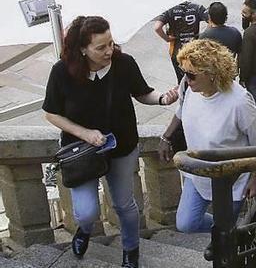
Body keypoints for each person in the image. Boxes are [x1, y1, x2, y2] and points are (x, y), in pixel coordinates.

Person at [43, 16, 179, 268]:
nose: (109, 51)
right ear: (83, 49)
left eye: (111, 43)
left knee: (124, 204)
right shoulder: (62, 71)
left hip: (122, 145)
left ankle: (131, 251)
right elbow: (51, 113)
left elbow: (142, 92)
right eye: (101, 47)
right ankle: (83, 230)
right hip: (82, 151)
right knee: (86, 212)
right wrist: (85, 133)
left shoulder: (123, 63)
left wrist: (162, 99)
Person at [170, 39, 256, 262]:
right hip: (197, 174)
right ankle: (223, 235)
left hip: (232, 182)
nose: (186, 79)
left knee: (226, 234)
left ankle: (224, 240)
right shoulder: (189, 88)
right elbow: (180, 110)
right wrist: (166, 137)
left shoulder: (239, 102)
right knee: (186, 222)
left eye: (192, 74)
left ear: (212, 74)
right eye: (183, 72)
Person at [154, 1, 208, 82]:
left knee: (182, 81)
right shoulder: (198, 7)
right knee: (197, 79)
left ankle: (183, 93)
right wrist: (203, 35)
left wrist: (167, 38)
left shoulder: (169, 9)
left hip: (177, 51)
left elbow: (157, 27)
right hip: (194, 50)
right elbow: (211, 20)